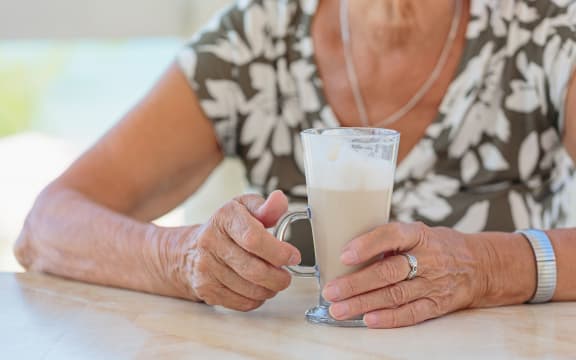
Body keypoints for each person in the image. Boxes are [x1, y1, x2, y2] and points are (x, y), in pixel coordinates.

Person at [14, 0, 576, 328]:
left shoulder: (548, 34)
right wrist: (182, 258)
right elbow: (46, 227)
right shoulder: (258, 39)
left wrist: (489, 267)